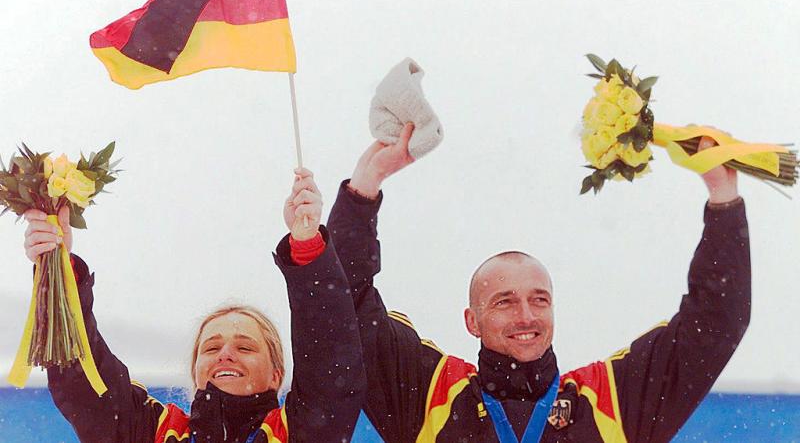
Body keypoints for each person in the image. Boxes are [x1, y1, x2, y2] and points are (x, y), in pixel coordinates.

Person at [326, 124, 750, 442]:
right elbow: (345, 307)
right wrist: (364, 189)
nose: (526, 315)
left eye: (539, 300)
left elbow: (713, 326)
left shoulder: (608, 401)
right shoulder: (430, 395)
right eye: (504, 302)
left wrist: (723, 199)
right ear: (472, 320)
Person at [22, 169, 366, 443]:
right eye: (211, 347)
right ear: (195, 371)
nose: (225, 354)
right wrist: (57, 267)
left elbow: (332, 362)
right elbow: (85, 384)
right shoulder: (157, 434)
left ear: (277, 375)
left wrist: (306, 247)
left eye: (245, 347)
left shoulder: (299, 433)